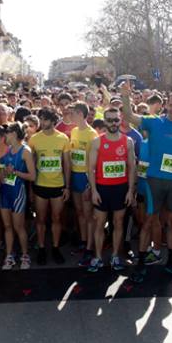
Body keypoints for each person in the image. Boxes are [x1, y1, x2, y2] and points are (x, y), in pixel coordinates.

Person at [121, 82, 172, 282]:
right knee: (149, 221)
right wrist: (125, 96)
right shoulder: (154, 122)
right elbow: (130, 116)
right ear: (166, 104)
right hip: (155, 181)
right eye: (171, 105)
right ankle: (141, 263)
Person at [86, 107, 136, 272]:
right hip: (102, 188)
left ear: (120, 120)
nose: (113, 123)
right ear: (104, 121)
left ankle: (115, 255)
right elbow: (91, 169)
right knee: (99, 223)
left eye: (116, 120)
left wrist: (130, 191)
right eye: (109, 120)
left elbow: (132, 168)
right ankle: (98, 257)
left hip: (120, 188)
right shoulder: (97, 142)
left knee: (118, 223)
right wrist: (94, 190)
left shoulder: (128, 141)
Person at [28, 107, 71, 265]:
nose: (42, 122)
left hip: (58, 185)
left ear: (53, 121)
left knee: (56, 218)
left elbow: (67, 164)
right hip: (40, 185)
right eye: (41, 119)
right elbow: (31, 164)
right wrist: (30, 188)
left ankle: (55, 247)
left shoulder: (63, 138)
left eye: (45, 119)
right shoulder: (34, 139)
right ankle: (41, 248)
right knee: (40, 219)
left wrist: (67, 187)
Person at [0, 122, 36, 269]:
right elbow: (3, 173)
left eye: (7, 133)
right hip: (5, 192)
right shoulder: (7, 150)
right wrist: (2, 175)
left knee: (18, 227)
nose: (5, 135)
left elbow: (32, 176)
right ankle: (9, 255)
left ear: (13, 134)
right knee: (7, 226)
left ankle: (25, 256)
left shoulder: (25, 151)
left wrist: (15, 172)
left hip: (18, 192)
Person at [66, 102, 98, 264]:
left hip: (86, 178)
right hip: (74, 176)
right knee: (79, 212)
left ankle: (90, 248)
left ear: (80, 114)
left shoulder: (92, 134)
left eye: (72, 113)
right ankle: (84, 242)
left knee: (88, 214)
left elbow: (94, 164)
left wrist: (90, 185)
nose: (70, 116)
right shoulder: (74, 131)